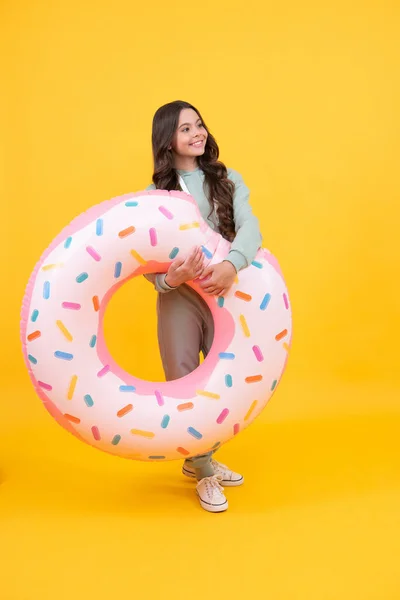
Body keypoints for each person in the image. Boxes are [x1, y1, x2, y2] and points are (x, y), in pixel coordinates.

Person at [145, 100, 262, 512]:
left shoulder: (228, 179)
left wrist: (233, 265)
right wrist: (168, 280)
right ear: (167, 140)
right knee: (184, 378)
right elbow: (138, 255)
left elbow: (250, 226)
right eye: (184, 129)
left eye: (199, 125)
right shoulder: (154, 196)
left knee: (223, 381)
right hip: (180, 298)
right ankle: (204, 468)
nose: (197, 133)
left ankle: (201, 458)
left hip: (225, 293)